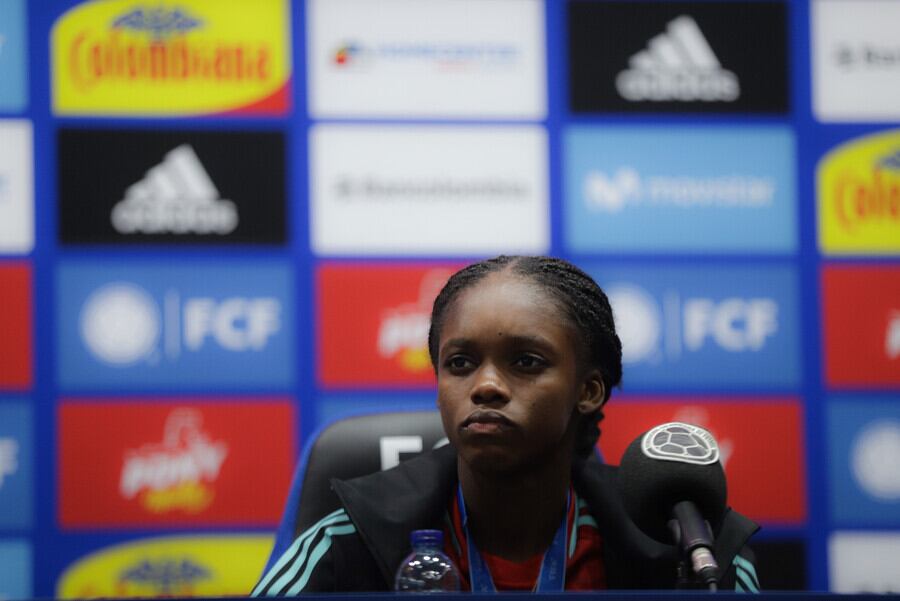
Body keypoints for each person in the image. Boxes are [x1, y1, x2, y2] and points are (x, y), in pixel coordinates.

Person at [252, 255, 760, 594]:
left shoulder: (687, 551)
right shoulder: (351, 538)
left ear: (588, 391)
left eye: (526, 362)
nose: (486, 385)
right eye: (460, 364)